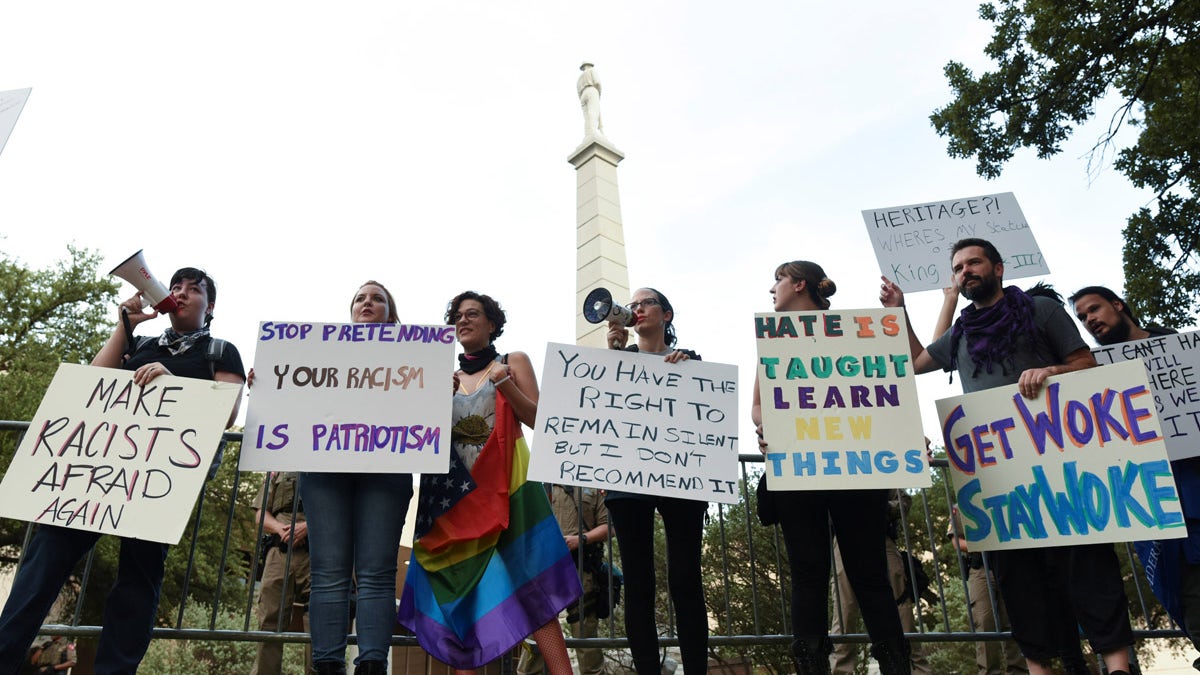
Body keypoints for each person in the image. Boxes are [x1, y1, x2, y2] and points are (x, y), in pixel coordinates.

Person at [879, 238, 1133, 675]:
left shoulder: (1040, 310)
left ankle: (1117, 667)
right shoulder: (961, 331)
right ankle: (1040, 669)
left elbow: (1085, 364)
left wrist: (1051, 371)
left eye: (974, 262)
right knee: (1020, 578)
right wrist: (899, 309)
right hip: (1000, 477)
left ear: (998, 268)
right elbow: (916, 361)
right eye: (958, 267)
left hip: (1063, 466)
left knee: (1086, 563)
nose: (965, 271)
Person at [0, 267, 245, 675]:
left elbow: (227, 412)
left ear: (211, 306)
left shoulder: (220, 351)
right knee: (44, 560)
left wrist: (172, 383)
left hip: (157, 483)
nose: (181, 292)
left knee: (138, 578)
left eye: (194, 289)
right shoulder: (142, 343)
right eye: (176, 286)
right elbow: (93, 381)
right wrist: (125, 326)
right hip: (93, 479)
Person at [399, 291, 580, 674]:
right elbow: (418, 438)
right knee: (459, 595)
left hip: (509, 490)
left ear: (492, 323)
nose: (463, 320)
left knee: (534, 588)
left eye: (472, 314)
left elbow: (541, 421)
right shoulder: (440, 377)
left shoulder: (512, 361)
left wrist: (506, 385)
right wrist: (435, 400)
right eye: (457, 316)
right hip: (455, 501)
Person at [752, 261, 910, 675]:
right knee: (810, 573)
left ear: (799, 284)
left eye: (778, 280)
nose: (772, 289)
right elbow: (758, 405)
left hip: (854, 469)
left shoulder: (854, 332)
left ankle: (895, 665)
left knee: (868, 573)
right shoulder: (773, 339)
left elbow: (888, 386)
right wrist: (766, 426)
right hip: (799, 468)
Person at [1070, 285, 1200, 668]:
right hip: (1161, 511)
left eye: (1094, 309)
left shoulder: (1180, 349)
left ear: (1118, 305)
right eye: (1082, 317)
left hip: (1195, 487)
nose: (1090, 320)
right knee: (1192, 603)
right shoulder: (1093, 373)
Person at [294, 280, 415, 675]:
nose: (367, 303)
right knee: (328, 572)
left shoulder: (415, 358)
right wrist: (273, 383)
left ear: (390, 315)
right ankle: (328, 666)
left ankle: (372, 665)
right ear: (351, 312)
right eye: (360, 298)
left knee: (376, 574)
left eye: (377, 298)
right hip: (325, 471)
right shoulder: (319, 353)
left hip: (386, 471)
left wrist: (437, 389)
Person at [602, 287, 709, 674]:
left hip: (681, 478)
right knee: (639, 582)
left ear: (666, 315)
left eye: (645, 303)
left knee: (686, 579)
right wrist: (614, 356)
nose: (637, 309)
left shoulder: (691, 362)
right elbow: (601, 411)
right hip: (629, 483)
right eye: (632, 305)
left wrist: (687, 370)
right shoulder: (616, 360)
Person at [829, 491, 932, 675]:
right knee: (844, 610)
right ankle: (841, 671)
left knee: (900, 608)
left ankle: (914, 669)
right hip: (843, 537)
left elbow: (903, 500)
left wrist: (879, 507)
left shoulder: (876, 473)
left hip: (880, 536)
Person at [517, 485, 613, 675]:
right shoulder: (540, 483)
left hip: (582, 565)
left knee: (585, 631)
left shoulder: (594, 484)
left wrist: (581, 539)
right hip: (544, 566)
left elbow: (609, 526)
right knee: (539, 627)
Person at [251, 471, 312, 675]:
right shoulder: (279, 465)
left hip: (318, 553)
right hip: (280, 551)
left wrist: (308, 527)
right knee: (269, 620)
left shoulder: (332, 462)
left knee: (320, 623)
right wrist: (280, 528)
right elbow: (261, 514)